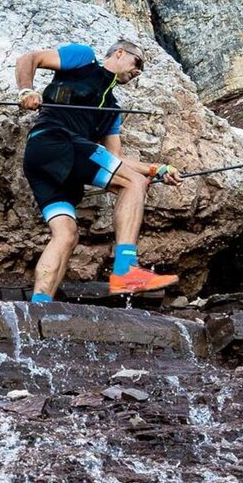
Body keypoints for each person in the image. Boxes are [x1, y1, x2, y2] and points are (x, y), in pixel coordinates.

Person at [16, 39, 182, 301]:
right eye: (137, 62)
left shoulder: (112, 110)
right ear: (119, 52)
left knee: (66, 235)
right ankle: (126, 269)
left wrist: (156, 169)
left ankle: (39, 308)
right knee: (133, 183)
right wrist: (26, 91)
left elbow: (115, 159)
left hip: (48, 161)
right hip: (55, 141)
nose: (138, 71)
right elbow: (29, 58)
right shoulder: (84, 59)